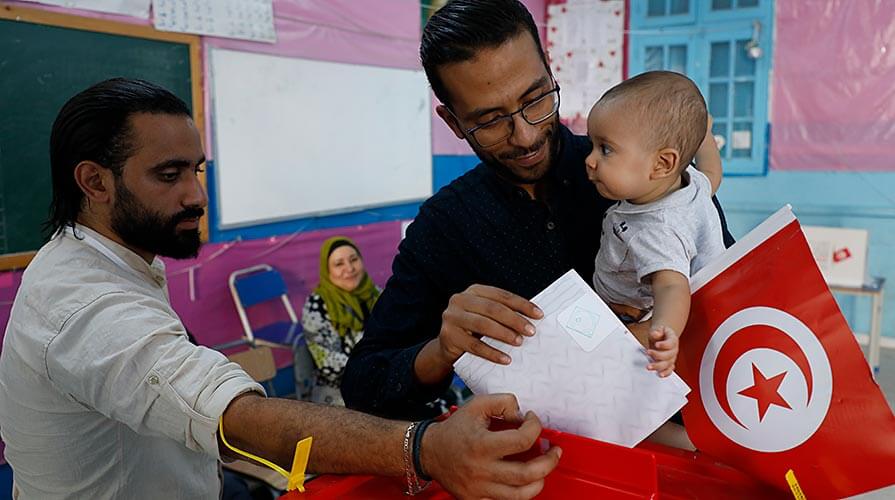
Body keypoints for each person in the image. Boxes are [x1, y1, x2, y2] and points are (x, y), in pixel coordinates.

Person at [0, 78, 561, 499]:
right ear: (94, 181)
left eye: (197, 170)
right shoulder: (83, 305)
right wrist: (426, 449)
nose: (197, 195)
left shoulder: (120, 263)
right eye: (169, 176)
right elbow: (232, 416)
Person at [342, 0, 735, 420]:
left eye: (535, 99)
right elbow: (363, 385)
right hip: (550, 464)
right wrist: (440, 350)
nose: (525, 135)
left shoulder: (646, 179)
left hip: (687, 438)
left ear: (551, 74)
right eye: (490, 121)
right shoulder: (444, 228)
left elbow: (738, 305)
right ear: (454, 122)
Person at [586, 71, 726, 378]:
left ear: (662, 164)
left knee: (579, 351)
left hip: (627, 315)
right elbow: (713, 171)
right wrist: (702, 136)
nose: (590, 160)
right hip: (650, 309)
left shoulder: (656, 229)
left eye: (605, 149)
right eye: (593, 146)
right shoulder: (689, 186)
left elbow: (671, 285)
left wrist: (664, 334)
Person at [300, 236, 380, 406]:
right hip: (339, 394)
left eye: (354, 260)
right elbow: (329, 365)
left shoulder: (377, 296)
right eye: (339, 264)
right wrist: (380, 368)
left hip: (383, 381)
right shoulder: (317, 306)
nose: (349, 268)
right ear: (327, 270)